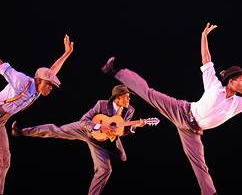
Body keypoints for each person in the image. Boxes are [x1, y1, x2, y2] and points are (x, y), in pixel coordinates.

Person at [100, 23, 242, 195]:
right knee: (149, 93)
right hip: (182, 110)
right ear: (231, 81)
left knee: (200, 166)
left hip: (192, 132)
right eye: (241, 80)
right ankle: (115, 72)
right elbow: (206, 59)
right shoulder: (214, 85)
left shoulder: (240, 103)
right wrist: (203, 36)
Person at [12, 84, 154, 195]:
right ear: (117, 98)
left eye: (129, 97)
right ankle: (21, 132)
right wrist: (99, 126)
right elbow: (84, 120)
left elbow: (121, 130)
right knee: (56, 130)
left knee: (105, 170)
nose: (129, 100)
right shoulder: (101, 105)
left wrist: (135, 126)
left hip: (100, 141)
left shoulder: (130, 111)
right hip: (85, 130)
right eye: (127, 97)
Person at [0, 34, 74, 195]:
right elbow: (2, 66)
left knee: (5, 161)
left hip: (1, 121)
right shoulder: (21, 81)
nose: (51, 88)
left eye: (52, 86)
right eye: (49, 85)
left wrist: (66, 53)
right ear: (39, 80)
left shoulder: (37, 91)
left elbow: (52, 71)